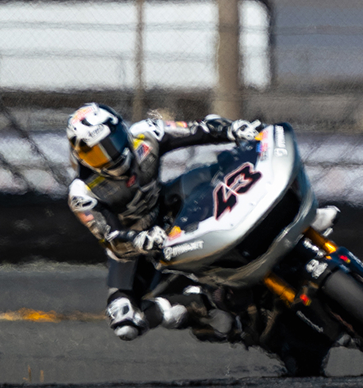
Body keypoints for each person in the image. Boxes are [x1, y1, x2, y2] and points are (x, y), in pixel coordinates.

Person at [66, 103, 262, 341]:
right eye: (95, 155)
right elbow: (111, 239)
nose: (108, 158)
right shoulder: (82, 193)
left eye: (110, 145)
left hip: (168, 207)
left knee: (203, 173)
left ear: (122, 132)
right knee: (124, 323)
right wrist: (140, 240)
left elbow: (198, 129)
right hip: (135, 250)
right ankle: (193, 308)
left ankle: (255, 218)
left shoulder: (145, 134)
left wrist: (232, 129)